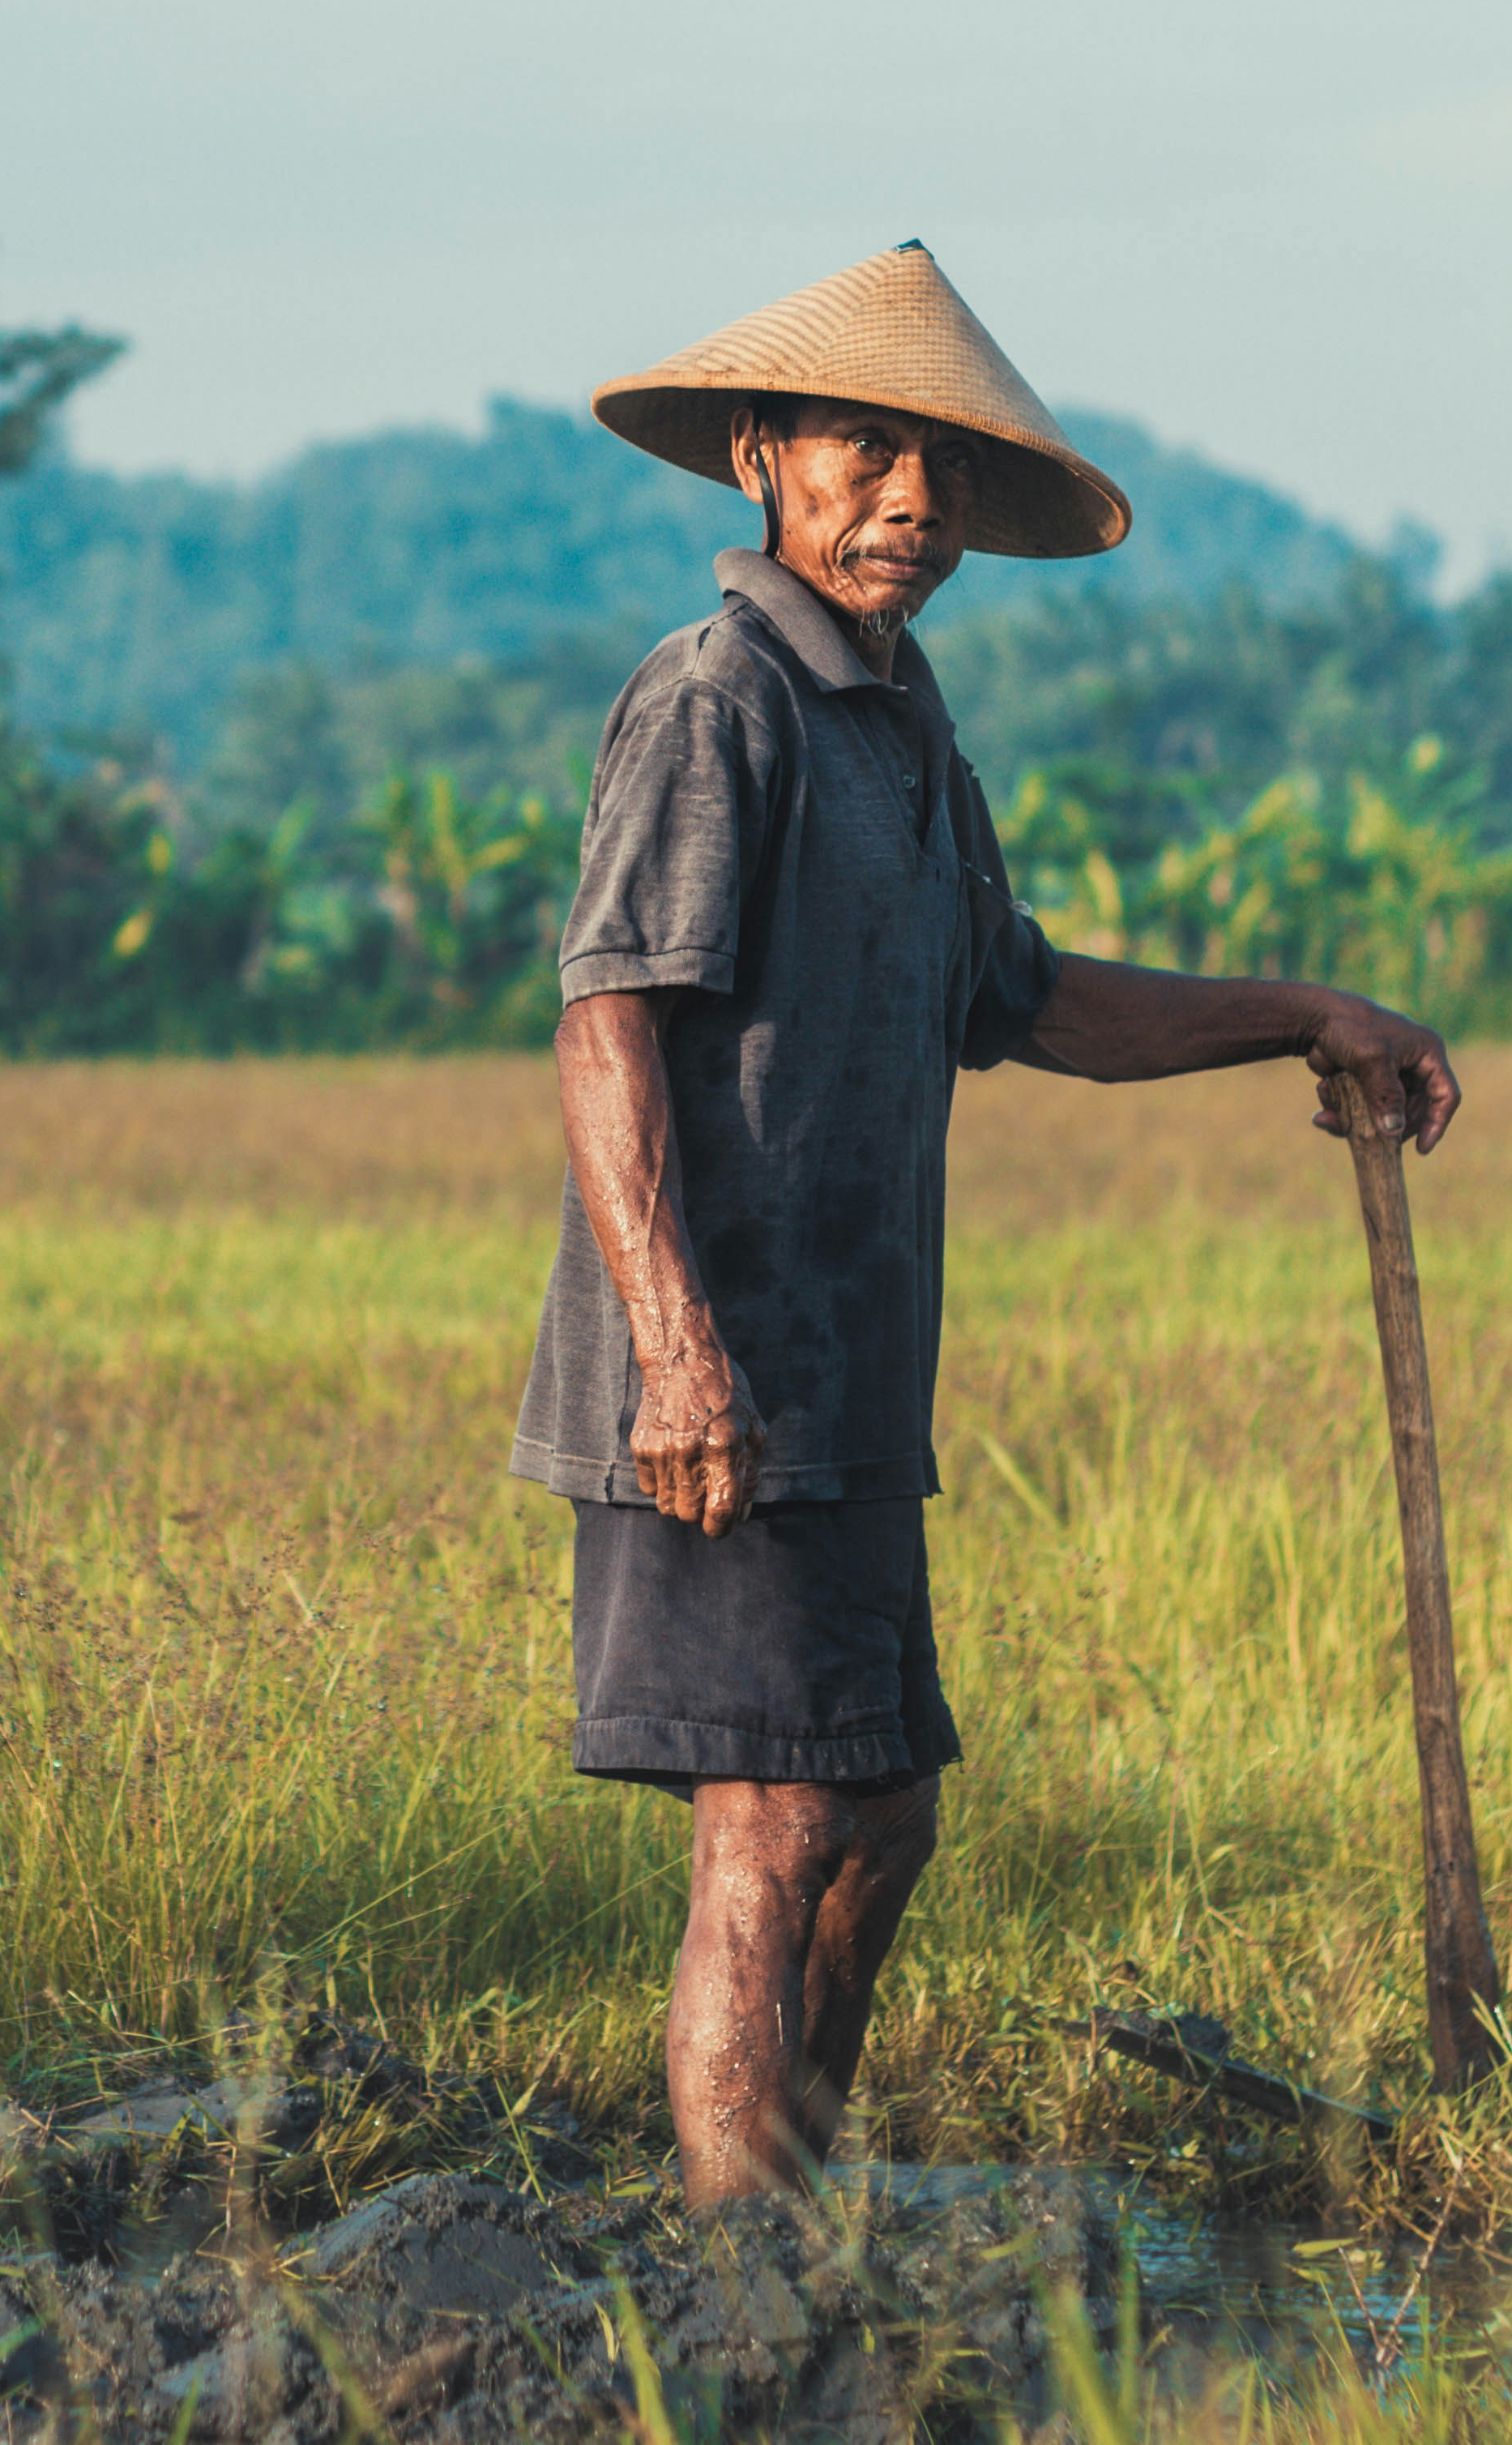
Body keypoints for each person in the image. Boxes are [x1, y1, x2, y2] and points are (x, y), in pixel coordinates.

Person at [509, 243, 1461, 2208]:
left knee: (884, 1814)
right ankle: (741, 2277)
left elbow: (1020, 1000)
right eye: (870, 452)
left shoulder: (902, 727)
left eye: (943, 471)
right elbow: (608, 1020)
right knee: (771, 1822)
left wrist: (1305, 1011)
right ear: (766, 454)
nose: (914, 506)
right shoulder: (718, 701)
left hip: (848, 1382)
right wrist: (677, 1348)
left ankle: (788, 2197)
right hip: (718, 1381)